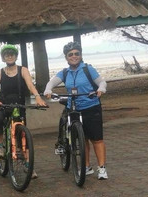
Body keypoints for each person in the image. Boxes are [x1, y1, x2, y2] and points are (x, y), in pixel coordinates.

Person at [43, 41, 108, 180]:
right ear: (66, 57)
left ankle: (102, 168)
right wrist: (48, 90)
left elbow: (101, 82)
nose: (74, 56)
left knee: (96, 139)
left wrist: (101, 89)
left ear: (81, 55)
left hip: (91, 107)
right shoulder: (65, 72)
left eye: (76, 53)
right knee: (82, 139)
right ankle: (86, 166)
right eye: (70, 54)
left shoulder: (88, 69)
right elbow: (52, 82)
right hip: (73, 109)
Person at [0, 44, 46, 178]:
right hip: (4, 104)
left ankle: (28, 165)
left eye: (12, 54)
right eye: (7, 55)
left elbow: (30, 85)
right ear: (3, 58)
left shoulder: (23, 70)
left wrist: (37, 97)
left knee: (23, 134)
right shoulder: (0, 73)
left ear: (16, 56)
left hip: (19, 105)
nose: (9, 56)